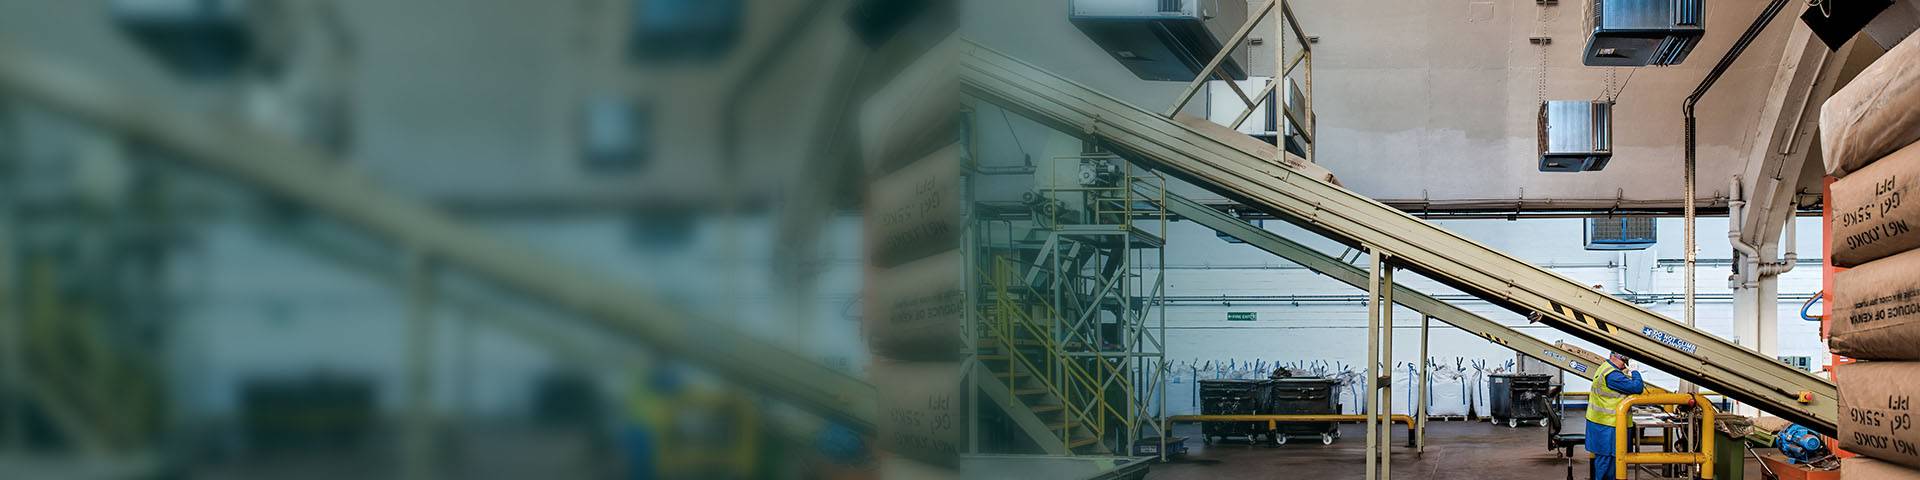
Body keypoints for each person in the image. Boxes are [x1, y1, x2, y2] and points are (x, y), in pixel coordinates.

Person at [1585, 351, 1645, 480]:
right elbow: (1637, 387)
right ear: (1616, 357)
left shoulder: (1605, 367)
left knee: (1607, 460)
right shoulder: (1613, 375)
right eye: (1624, 361)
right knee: (1609, 463)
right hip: (1609, 425)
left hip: (1603, 423)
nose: (1625, 364)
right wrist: (1635, 372)